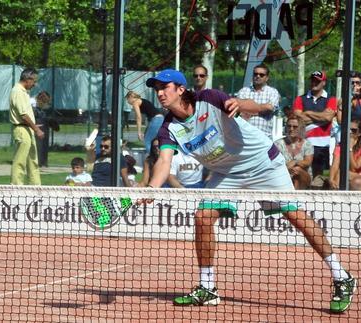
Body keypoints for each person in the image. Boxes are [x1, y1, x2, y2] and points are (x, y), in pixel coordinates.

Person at [143, 68, 355, 313]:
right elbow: (164, 161)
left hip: (263, 163)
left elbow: (254, 106)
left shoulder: (209, 98)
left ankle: (342, 276)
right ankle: (207, 287)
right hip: (227, 174)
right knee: (203, 217)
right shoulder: (168, 128)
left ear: (180, 89)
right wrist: (150, 189)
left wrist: (239, 103)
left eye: (164, 87)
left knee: (296, 216)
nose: (159, 93)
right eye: (157, 88)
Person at [293, 71, 337, 186]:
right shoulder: (300, 99)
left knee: (318, 178)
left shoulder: (331, 99)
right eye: (312, 80)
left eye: (317, 80)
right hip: (303, 142)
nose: (314, 83)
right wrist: (320, 116)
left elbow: (328, 117)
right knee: (300, 172)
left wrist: (307, 113)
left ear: (324, 82)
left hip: (323, 144)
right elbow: (298, 118)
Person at [9, 68, 44, 185]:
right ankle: (16, 186)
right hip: (21, 129)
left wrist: (33, 126)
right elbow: (23, 115)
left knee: (32, 160)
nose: (35, 84)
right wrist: (36, 129)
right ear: (27, 79)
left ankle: (36, 187)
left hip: (28, 128)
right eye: (34, 81)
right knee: (20, 160)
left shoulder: (23, 92)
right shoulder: (17, 91)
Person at [235, 63, 281, 139]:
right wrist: (262, 109)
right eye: (255, 74)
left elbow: (270, 108)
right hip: (244, 136)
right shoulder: (243, 91)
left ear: (267, 78)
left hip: (264, 136)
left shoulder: (273, 92)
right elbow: (239, 110)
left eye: (261, 75)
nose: (258, 76)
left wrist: (248, 109)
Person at [274, 115, 313, 189]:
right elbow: (274, 163)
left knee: (297, 170)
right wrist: (288, 168)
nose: (291, 129)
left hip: (304, 178)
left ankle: (294, 197)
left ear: (300, 128)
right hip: (284, 174)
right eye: (289, 126)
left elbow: (307, 162)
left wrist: (295, 162)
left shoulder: (307, 144)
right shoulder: (278, 144)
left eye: (295, 127)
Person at [329, 120, 361, 190]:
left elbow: (355, 168)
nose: (350, 132)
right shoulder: (340, 146)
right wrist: (331, 180)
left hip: (358, 175)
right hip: (347, 175)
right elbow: (335, 165)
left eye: (353, 130)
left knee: (342, 174)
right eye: (348, 129)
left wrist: (350, 148)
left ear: (359, 133)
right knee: (339, 175)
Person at [32, 91, 51, 167]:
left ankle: (43, 162)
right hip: (36, 125)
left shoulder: (42, 108)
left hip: (43, 125)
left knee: (44, 145)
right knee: (38, 146)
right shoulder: (32, 103)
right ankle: (38, 162)